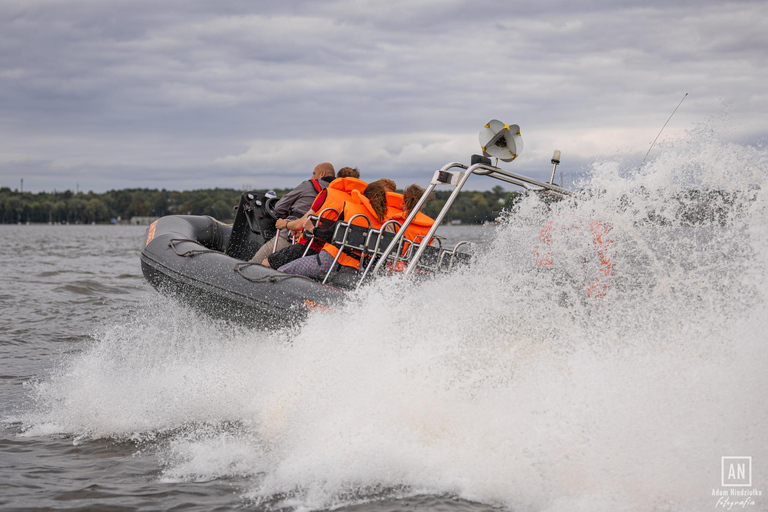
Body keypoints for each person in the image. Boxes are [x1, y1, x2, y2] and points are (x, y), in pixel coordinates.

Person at [262, 175, 397, 269]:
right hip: (354, 264)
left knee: (268, 264)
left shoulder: (339, 200)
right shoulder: (389, 220)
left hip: (318, 251)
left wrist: (284, 225)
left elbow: (301, 225)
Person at [249, 162, 335, 265]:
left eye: (314, 173)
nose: (312, 177)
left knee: (253, 264)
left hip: (291, 236)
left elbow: (279, 207)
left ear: (322, 174)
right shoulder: (335, 194)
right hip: (315, 245)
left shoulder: (308, 185)